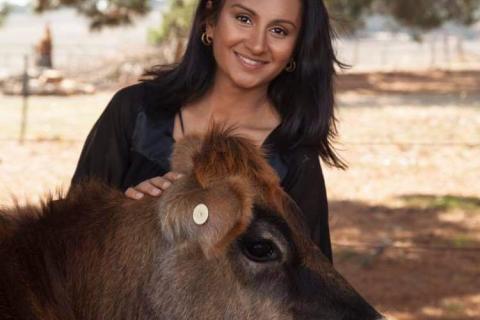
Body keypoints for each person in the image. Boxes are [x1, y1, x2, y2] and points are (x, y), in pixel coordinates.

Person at [71, 0, 346, 263]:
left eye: (279, 31)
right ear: (210, 21)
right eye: (243, 18)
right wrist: (126, 212)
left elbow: (310, 287)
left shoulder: (294, 159)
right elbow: (67, 238)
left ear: (296, 49)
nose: (257, 44)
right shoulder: (133, 111)